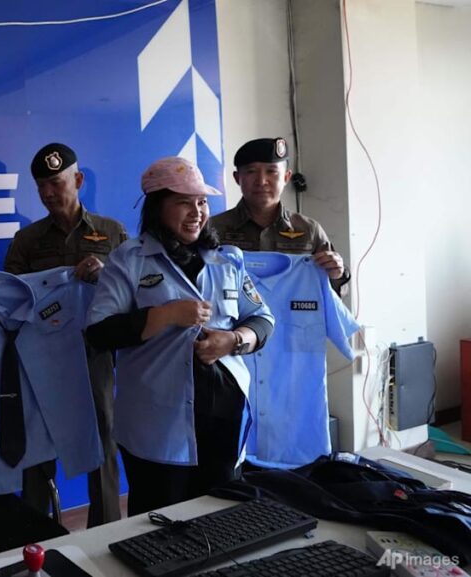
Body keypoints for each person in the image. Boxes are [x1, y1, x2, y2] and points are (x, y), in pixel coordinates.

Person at [85, 156, 275, 516]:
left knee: (223, 516)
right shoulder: (129, 260)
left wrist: (233, 340)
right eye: (184, 203)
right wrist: (165, 315)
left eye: (201, 202)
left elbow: (263, 320)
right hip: (157, 426)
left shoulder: (227, 260)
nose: (196, 213)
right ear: (158, 207)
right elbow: (99, 332)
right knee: (158, 522)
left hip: (223, 419)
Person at [4, 142, 127, 527]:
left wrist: (106, 273)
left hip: (95, 352)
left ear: (78, 180)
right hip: (42, 356)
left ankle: (104, 531)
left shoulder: (111, 232)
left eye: (56, 183)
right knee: (39, 443)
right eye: (41, 186)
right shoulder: (27, 240)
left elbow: (134, 291)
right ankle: (34, 530)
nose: (47, 193)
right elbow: (8, 299)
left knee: (102, 439)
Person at [210, 137, 350, 293]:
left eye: (271, 171)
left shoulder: (309, 231)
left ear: (286, 177)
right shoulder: (213, 228)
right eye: (251, 172)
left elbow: (335, 294)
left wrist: (337, 275)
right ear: (237, 178)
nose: (262, 181)